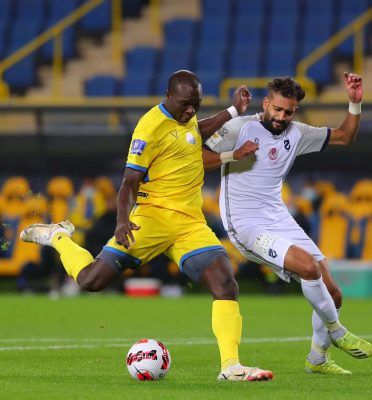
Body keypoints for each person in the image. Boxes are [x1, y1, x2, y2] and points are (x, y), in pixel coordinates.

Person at [20, 70, 272, 382]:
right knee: (90, 280)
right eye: (185, 104)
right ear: (168, 97)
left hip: (190, 223)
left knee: (225, 283)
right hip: (150, 218)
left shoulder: (185, 117)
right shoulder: (149, 128)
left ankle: (231, 366)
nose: (191, 111)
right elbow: (128, 183)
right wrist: (123, 220)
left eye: (197, 104)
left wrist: (233, 111)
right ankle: (57, 236)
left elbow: (195, 135)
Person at [202, 73, 372, 375]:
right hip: (245, 224)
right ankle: (337, 331)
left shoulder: (298, 133)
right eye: (277, 109)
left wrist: (354, 103)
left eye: (289, 111)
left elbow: (345, 136)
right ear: (266, 103)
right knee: (308, 267)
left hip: (278, 217)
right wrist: (233, 155)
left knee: (333, 293)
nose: (282, 117)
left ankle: (317, 360)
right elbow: (196, 157)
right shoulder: (240, 128)